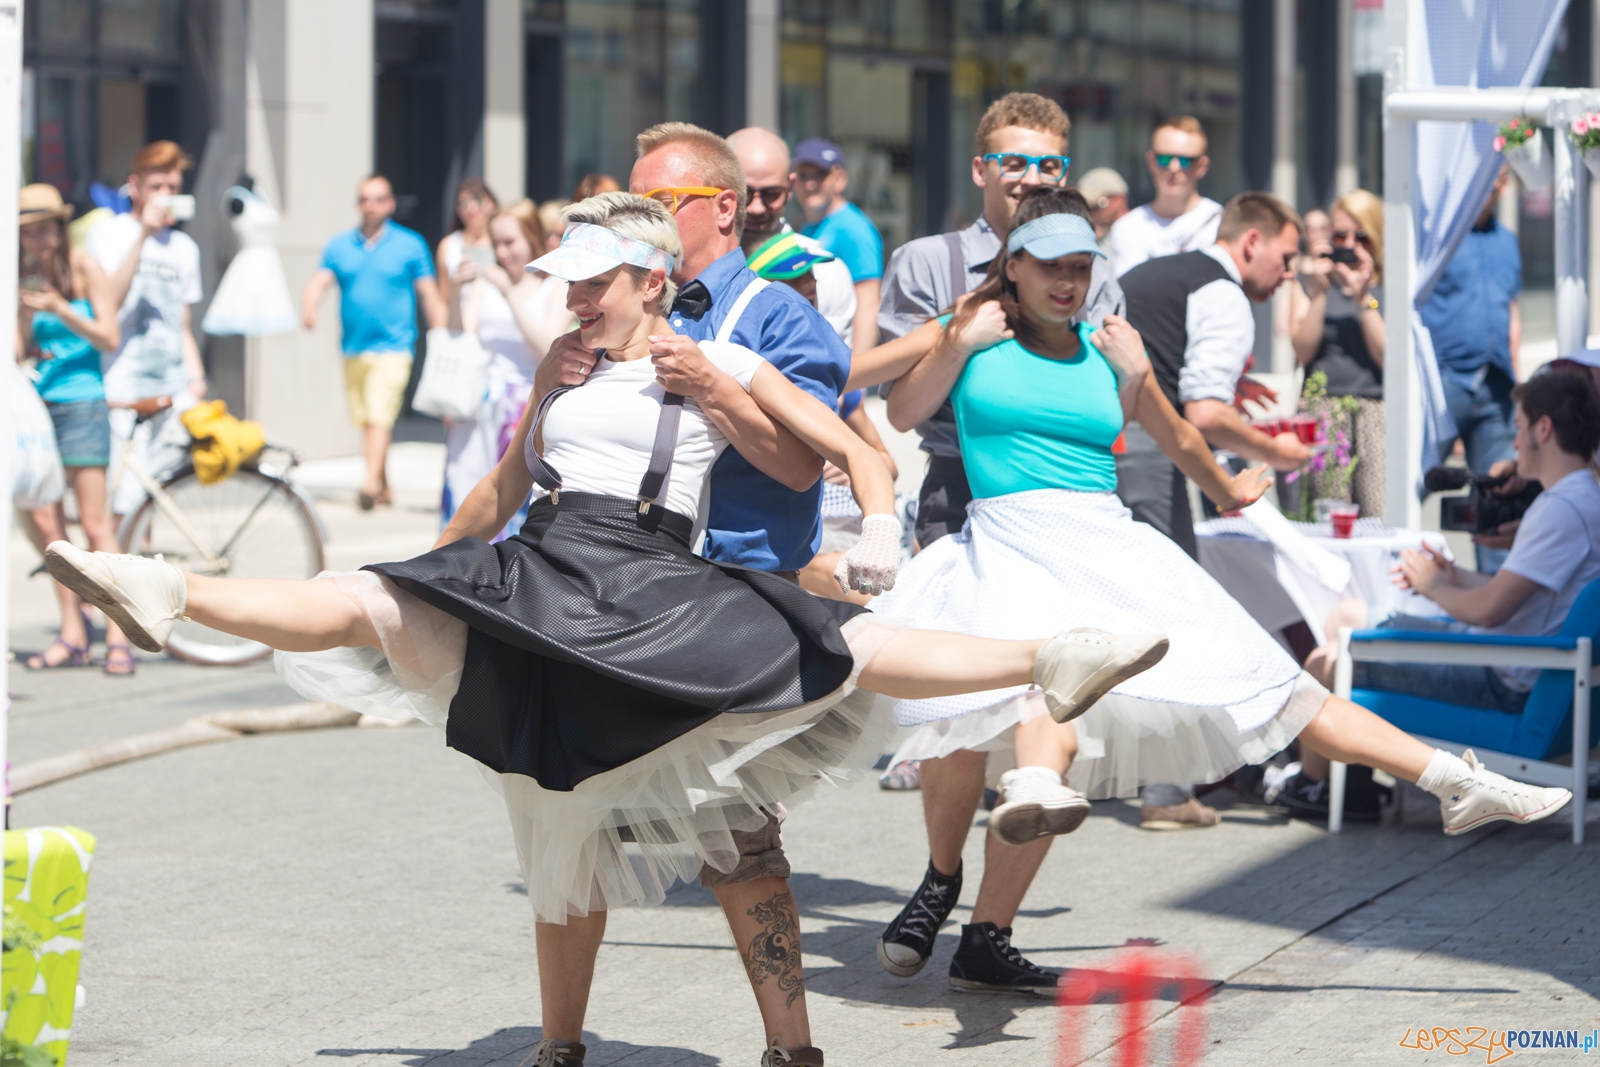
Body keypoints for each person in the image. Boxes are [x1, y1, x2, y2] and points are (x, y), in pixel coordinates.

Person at [44, 192, 1169, 1067]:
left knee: (822, 681)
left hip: (658, 581)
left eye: (591, 283)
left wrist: (864, 517)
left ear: (648, 277)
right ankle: (163, 590)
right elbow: (508, 477)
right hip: (544, 571)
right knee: (391, 624)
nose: (573, 299)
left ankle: (1043, 664)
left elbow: (845, 450)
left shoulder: (722, 354)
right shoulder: (565, 360)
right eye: (567, 283)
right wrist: (454, 545)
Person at [866, 188, 1572, 995]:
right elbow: (902, 406)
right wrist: (955, 346)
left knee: (1273, 685)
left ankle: (1456, 779)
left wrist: (1232, 485)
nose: (1067, 281)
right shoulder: (974, 333)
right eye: (1051, 266)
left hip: (1108, 544)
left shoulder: (1112, 348)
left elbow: (1181, 435)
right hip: (1008, 541)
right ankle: (971, 852)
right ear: (1014, 265)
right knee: (992, 717)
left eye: (1080, 266)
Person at [1280, 368, 1600, 815]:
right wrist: (1450, 578)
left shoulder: (1562, 509)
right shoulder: (1581, 498)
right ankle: (1341, 776)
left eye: (1520, 427)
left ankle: (1317, 786)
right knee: (1345, 617)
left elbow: (1489, 610)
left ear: (1543, 429)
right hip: (1512, 659)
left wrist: (1432, 587)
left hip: (1500, 676)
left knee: (1325, 662)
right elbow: (1522, 594)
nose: (1514, 443)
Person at [1114, 192, 1314, 827]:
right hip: (1144, 451)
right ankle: (1167, 794)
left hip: (1089, 445)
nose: (1287, 276)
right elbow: (1203, 413)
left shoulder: (1155, 272)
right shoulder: (1223, 291)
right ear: (1250, 243)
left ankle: (1022, 775)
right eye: (1284, 259)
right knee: (1169, 619)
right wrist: (1278, 451)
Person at [863, 92, 1124, 549]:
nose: (1032, 179)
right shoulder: (927, 262)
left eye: (1049, 166)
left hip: (1077, 498)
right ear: (980, 170)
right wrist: (957, 343)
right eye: (1014, 163)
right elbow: (903, 413)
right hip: (960, 490)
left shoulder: (1095, 277)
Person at [622, 121, 848, 578]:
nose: (640, 222)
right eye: (633, 206)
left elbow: (802, 467)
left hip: (737, 585)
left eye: (660, 203)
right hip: (627, 570)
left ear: (724, 207)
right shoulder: (626, 305)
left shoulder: (780, 315)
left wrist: (708, 386)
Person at [85, 140, 210, 675]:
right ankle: (117, 624)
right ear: (134, 186)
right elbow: (105, 302)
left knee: (146, 512)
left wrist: (196, 373)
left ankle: (134, 613)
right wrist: (141, 231)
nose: (165, 197)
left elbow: (181, 322)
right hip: (116, 388)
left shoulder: (184, 249)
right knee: (109, 516)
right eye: (155, 186)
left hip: (167, 391)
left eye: (173, 189)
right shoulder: (109, 233)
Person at [16, 183, 131, 673]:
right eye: (27, 231)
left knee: (95, 524)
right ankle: (72, 631)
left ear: (61, 227)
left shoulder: (84, 265)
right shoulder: (24, 275)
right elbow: (21, 351)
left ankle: (121, 634)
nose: (37, 239)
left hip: (83, 402)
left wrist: (61, 310)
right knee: (49, 529)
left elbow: (108, 334)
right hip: (39, 409)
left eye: (43, 228)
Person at [302, 175, 447, 511]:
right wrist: (309, 305)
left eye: (379, 199)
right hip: (353, 347)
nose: (371, 205)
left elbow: (428, 293)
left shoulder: (410, 244)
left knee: (380, 414)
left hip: (395, 346)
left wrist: (441, 335)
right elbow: (319, 281)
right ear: (358, 204)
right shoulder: (339, 245)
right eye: (365, 199)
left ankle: (369, 483)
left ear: (391, 204)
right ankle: (384, 483)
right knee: (368, 419)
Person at [440, 199, 572, 533]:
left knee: (514, 500)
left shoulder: (556, 285)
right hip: (481, 403)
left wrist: (511, 295)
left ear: (531, 237)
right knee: (469, 490)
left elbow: (548, 347)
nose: (502, 252)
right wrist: (456, 292)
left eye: (510, 242)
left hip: (525, 405)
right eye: (496, 243)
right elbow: (461, 333)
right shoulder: (487, 283)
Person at [1420, 166, 1523, 572]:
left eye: (1495, 176)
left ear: (1504, 183)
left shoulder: (1507, 241)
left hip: (1496, 384)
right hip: (1445, 380)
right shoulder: (1439, 240)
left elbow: (1510, 308)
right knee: (1413, 481)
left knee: (1496, 498)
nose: (1488, 183)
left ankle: (1495, 608)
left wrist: (1516, 376)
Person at [1290, 189, 1386, 517]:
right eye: (1340, 235)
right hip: (1325, 408)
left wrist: (1363, 297)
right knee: (1328, 515)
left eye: (1361, 237)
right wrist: (1319, 292)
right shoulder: (1315, 280)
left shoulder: (1390, 284)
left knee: (1378, 514)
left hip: (1375, 410)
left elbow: (1389, 358)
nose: (1350, 245)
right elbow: (1302, 350)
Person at [728, 126, 858, 342]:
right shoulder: (690, 262)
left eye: (771, 194)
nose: (757, 208)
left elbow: (824, 366)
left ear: (790, 186)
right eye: (745, 193)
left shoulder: (824, 271)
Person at [793, 138, 883, 354]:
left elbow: (868, 305)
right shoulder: (809, 228)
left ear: (840, 178)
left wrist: (857, 374)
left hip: (841, 362)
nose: (810, 184)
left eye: (820, 175)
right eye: (803, 176)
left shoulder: (853, 229)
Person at [1107, 116, 1224, 277]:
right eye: (1164, 158)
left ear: (1202, 166)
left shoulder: (1221, 224)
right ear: (1150, 161)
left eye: (1185, 161)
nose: (1173, 168)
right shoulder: (1127, 228)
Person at [436, 177, 499, 309]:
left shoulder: (503, 242)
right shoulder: (448, 245)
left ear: (492, 204)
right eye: (463, 203)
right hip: (461, 322)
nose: (471, 207)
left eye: (478, 199)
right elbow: (443, 299)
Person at [1076, 166, 1128, 247]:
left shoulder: (1136, 234)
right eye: (1084, 207)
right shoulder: (1086, 235)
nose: (1090, 213)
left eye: (1097, 205)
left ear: (1119, 200)